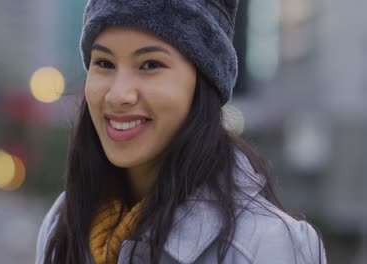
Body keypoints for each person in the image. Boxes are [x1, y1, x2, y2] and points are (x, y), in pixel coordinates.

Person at [36, 0, 327, 263]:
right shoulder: (64, 223)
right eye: (104, 63)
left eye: (150, 64)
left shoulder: (267, 246)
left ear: (203, 84)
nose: (117, 95)